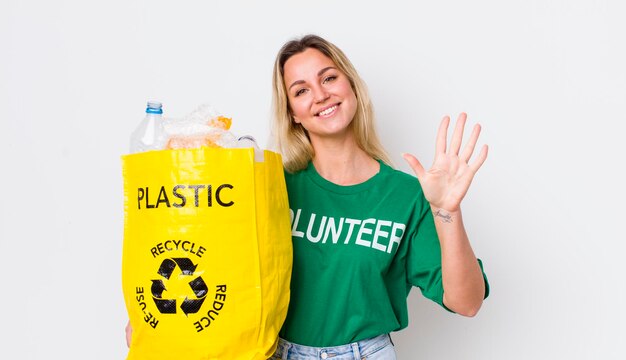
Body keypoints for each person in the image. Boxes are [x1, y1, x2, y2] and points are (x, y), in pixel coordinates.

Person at [268, 34, 489, 359]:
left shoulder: (406, 195)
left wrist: (448, 211)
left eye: (329, 77)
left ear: (352, 86)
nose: (320, 95)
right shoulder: (275, 187)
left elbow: (467, 302)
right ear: (293, 114)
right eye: (301, 90)